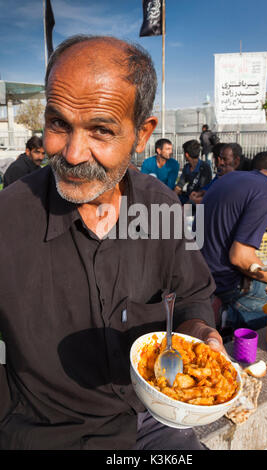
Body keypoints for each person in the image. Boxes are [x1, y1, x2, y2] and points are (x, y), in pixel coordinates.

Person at [0, 35, 224, 451]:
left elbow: (193, 295)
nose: (71, 152)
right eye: (58, 124)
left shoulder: (159, 206)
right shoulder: (8, 219)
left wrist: (200, 338)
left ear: (142, 135)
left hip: (152, 420)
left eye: (101, 130)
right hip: (45, 430)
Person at [200, 145, 267, 332]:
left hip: (200, 271)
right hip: (224, 284)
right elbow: (241, 257)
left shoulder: (236, 177)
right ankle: (226, 316)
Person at [174, 139, 212, 206]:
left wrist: (187, 205)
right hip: (188, 197)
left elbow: (202, 190)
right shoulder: (187, 167)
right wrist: (172, 197)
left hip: (200, 200)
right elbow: (180, 184)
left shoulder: (205, 167)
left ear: (186, 154)